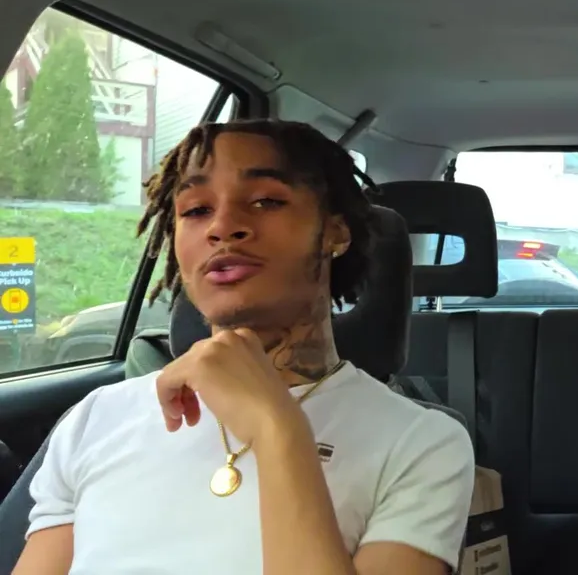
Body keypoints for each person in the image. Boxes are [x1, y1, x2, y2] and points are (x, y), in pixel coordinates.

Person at [14, 120, 475, 575]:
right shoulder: (96, 418)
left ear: (335, 232)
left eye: (266, 201)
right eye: (196, 210)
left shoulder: (423, 443)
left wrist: (277, 429)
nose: (222, 226)